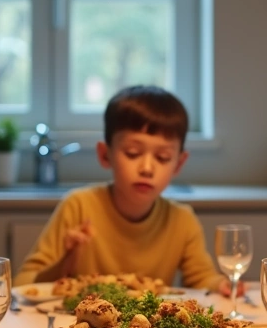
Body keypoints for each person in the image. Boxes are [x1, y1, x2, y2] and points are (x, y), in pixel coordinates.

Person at [15, 85, 228, 292]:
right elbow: (22, 284)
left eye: (163, 157)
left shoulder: (182, 220)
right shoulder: (78, 206)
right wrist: (64, 263)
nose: (147, 168)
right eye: (133, 153)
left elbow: (202, 279)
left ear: (179, 164)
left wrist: (222, 285)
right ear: (105, 155)